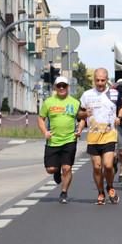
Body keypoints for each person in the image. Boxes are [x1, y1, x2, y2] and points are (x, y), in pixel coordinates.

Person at [38, 76, 85, 204]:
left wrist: (79, 130)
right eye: (59, 86)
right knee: (51, 169)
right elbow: (40, 118)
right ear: (55, 87)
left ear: (68, 87)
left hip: (69, 140)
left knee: (67, 168)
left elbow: (82, 119)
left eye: (64, 86)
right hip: (53, 141)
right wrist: (45, 132)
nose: (62, 88)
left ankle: (64, 193)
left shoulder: (75, 103)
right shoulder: (48, 102)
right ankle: (56, 171)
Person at [80, 68, 122, 205]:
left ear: (107, 80)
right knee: (97, 167)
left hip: (109, 135)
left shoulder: (114, 94)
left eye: (102, 80)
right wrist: (84, 114)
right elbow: (79, 114)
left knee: (108, 165)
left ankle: (110, 187)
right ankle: (100, 192)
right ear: (94, 79)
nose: (99, 83)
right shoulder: (87, 95)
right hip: (93, 136)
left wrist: (119, 117)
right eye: (97, 80)